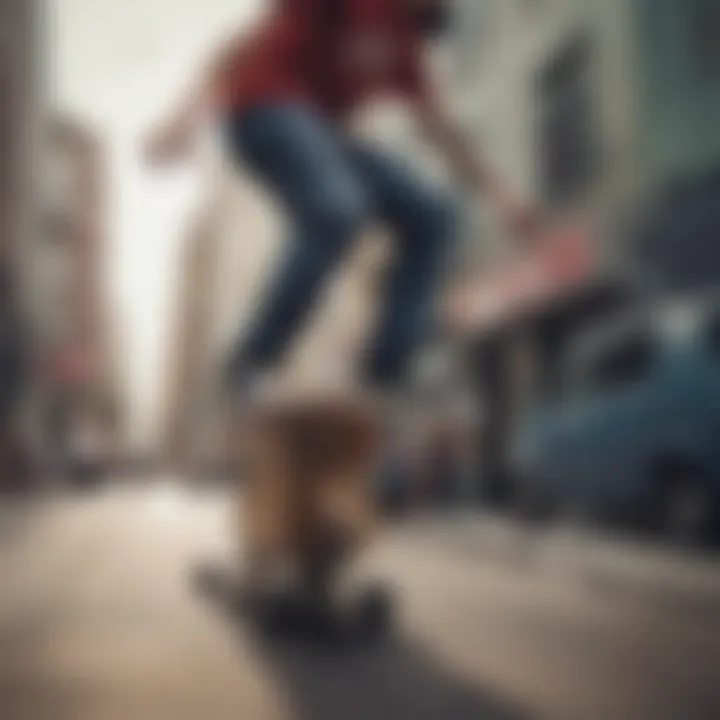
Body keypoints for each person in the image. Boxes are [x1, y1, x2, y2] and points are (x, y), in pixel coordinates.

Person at [145, 0, 540, 411]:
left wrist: (501, 196)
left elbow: (444, 134)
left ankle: (387, 367)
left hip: (324, 135)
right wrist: (185, 116)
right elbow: (238, 44)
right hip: (261, 110)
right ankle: (252, 360)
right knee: (338, 207)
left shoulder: (407, 55)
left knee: (434, 216)